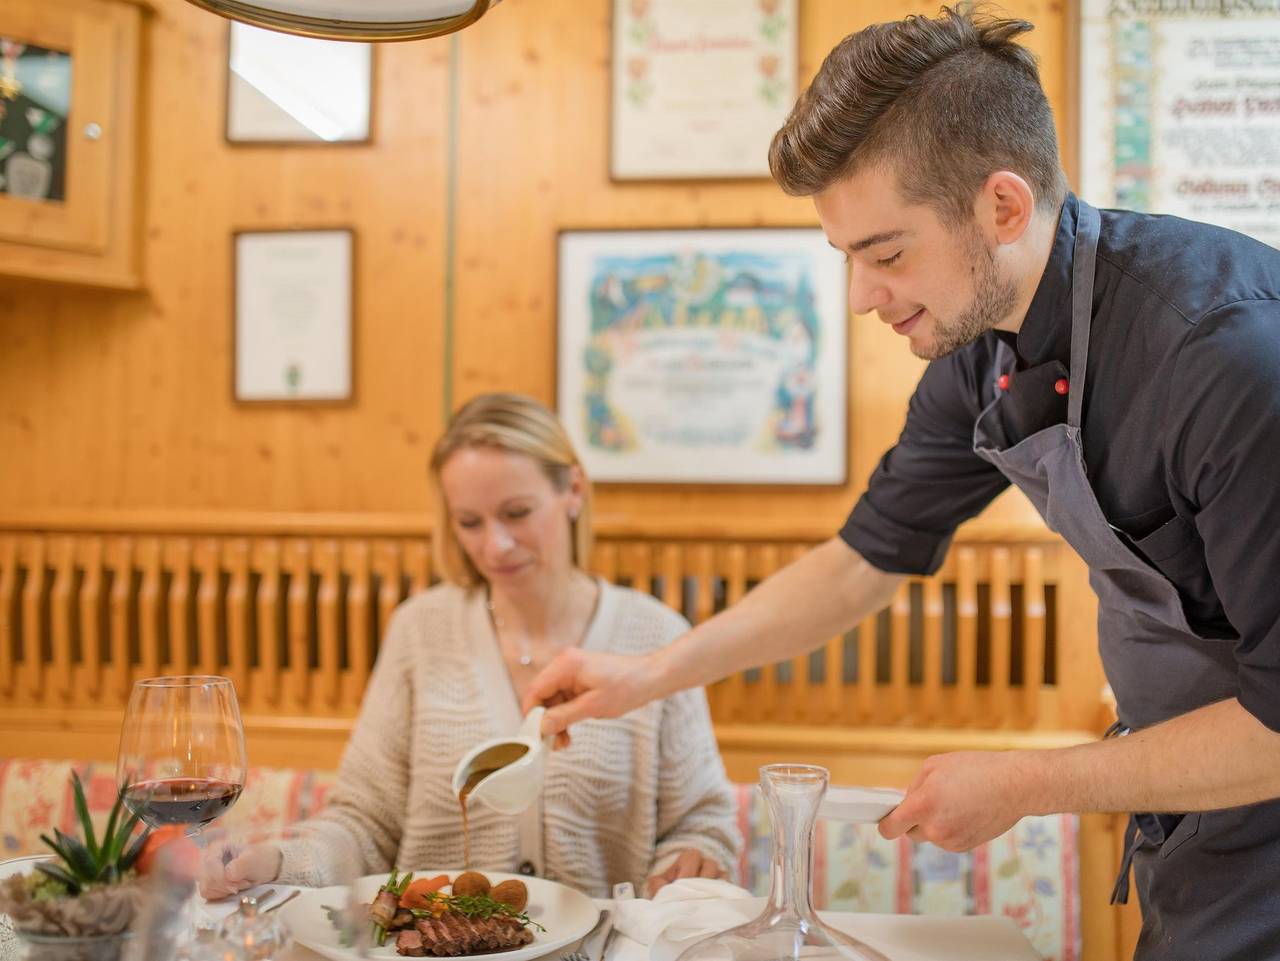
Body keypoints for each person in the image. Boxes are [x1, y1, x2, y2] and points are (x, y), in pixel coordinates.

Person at [523, 8, 1280, 960]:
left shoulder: (1225, 356)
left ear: (1003, 207)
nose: (861, 297)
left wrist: (1026, 783)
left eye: (885, 254)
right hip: (1198, 813)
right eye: (847, 258)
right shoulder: (980, 355)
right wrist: (646, 675)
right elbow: (860, 563)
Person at [201, 393, 739, 900]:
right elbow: (365, 823)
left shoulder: (654, 636)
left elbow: (702, 822)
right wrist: (279, 861)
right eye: (469, 522)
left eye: (517, 513)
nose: (495, 545)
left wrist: (692, 859)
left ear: (573, 490)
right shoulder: (420, 631)